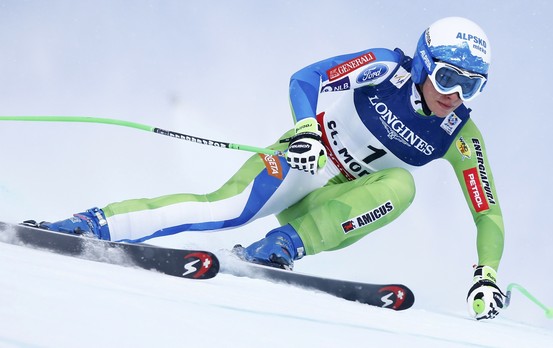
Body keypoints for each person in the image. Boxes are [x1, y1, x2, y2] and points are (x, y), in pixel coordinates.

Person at [34, 17, 505, 320]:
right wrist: (306, 129)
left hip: (329, 206)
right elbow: (307, 78)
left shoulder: (461, 136)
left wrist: (486, 274)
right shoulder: (385, 67)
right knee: (225, 209)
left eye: (472, 87)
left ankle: (279, 247)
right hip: (307, 159)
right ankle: (92, 223)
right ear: (424, 64)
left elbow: (488, 213)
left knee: (402, 185)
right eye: (447, 79)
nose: (455, 96)